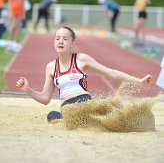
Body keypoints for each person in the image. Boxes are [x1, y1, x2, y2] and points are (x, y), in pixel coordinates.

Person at [16, 25, 153, 124]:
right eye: (57, 38)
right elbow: (45, 98)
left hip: (85, 104)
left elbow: (110, 73)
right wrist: (28, 90)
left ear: (71, 43)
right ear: (54, 42)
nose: (60, 41)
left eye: (65, 39)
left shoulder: (81, 59)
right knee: (52, 116)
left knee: (112, 112)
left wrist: (139, 81)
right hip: (68, 111)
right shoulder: (51, 67)